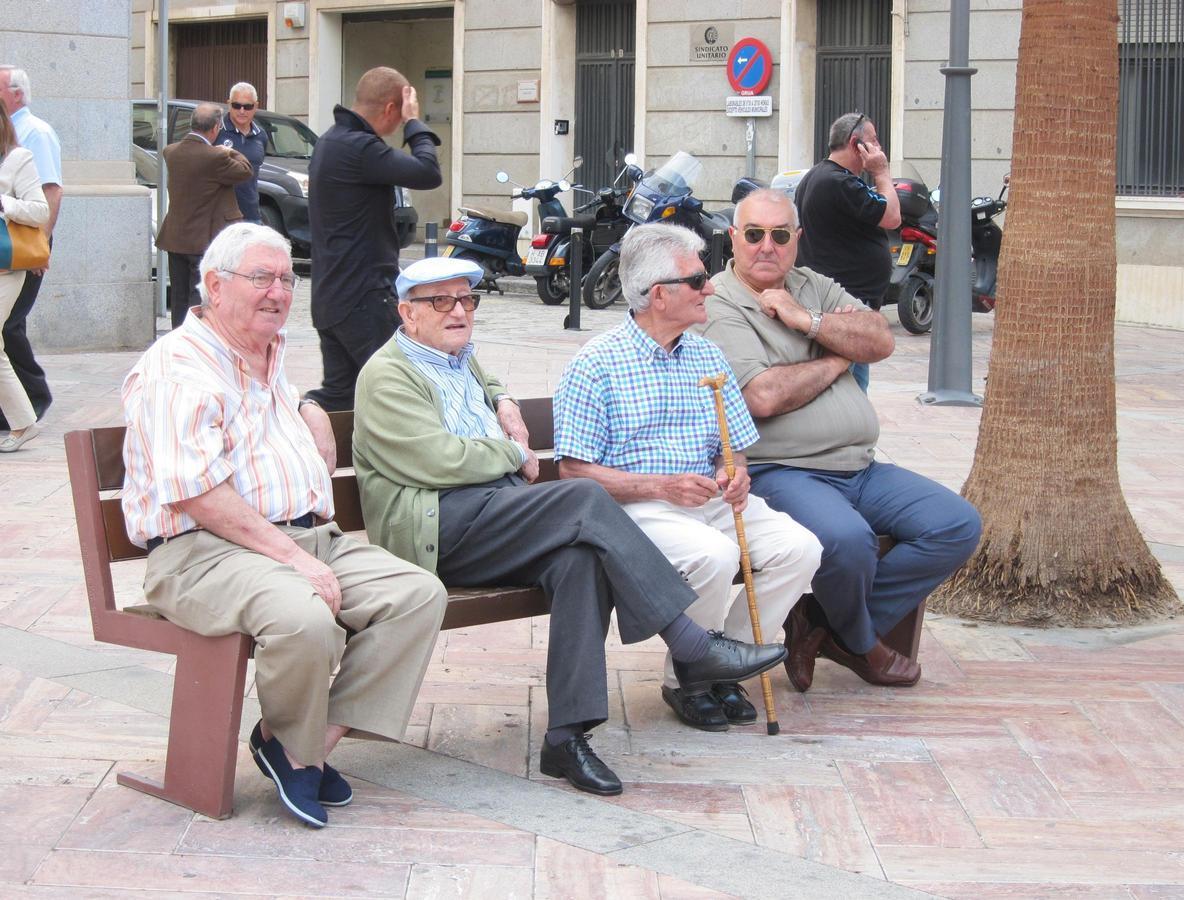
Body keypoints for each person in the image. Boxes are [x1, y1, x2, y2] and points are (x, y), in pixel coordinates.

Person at [352, 255, 786, 796]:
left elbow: (487, 382)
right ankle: (690, 643)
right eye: (441, 301)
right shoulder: (387, 373)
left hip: (496, 513)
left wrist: (505, 401)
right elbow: (437, 459)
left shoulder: (459, 356)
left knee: (579, 560)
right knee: (582, 496)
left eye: (467, 300)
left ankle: (567, 736)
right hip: (438, 526)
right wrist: (511, 449)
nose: (459, 311)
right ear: (407, 313)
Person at [120, 223, 447, 828]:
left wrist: (310, 407)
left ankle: (300, 743)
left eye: (286, 278)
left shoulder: (267, 349)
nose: (278, 291)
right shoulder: (176, 367)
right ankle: (296, 751)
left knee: (417, 595)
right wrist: (293, 559)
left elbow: (259, 418)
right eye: (261, 278)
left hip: (301, 534)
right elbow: (198, 493)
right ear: (215, 287)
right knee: (303, 616)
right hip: (202, 552)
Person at [698, 189, 982, 691]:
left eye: (781, 235)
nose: (768, 246)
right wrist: (837, 354)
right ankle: (863, 643)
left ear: (797, 239)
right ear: (733, 239)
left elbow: (881, 339)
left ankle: (827, 629)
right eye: (755, 234)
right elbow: (762, 396)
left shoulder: (810, 287)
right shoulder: (721, 303)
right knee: (849, 542)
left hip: (861, 467)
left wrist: (807, 321)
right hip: (782, 470)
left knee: (955, 525)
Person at [554, 224, 823, 732]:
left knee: (801, 549)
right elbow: (574, 472)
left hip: (710, 500)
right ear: (659, 295)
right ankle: (689, 678)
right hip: (638, 507)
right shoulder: (596, 364)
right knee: (714, 555)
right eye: (698, 279)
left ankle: (731, 662)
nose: (711, 288)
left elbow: (733, 447)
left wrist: (734, 474)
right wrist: (661, 487)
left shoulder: (706, 355)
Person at [307, 66, 442, 412]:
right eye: (400, 117)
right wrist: (415, 125)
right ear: (390, 109)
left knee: (342, 397)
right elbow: (428, 172)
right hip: (364, 296)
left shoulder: (329, 141)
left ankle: (298, 434)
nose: (399, 125)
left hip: (330, 296)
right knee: (403, 390)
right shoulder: (360, 148)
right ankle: (277, 420)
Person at [794, 112, 900, 392]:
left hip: (845, 301)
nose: (879, 148)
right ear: (856, 144)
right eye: (873, 140)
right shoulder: (840, 182)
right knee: (847, 387)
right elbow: (892, 216)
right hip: (845, 303)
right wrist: (881, 173)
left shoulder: (820, 176)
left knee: (850, 384)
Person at [156, 103, 253, 328]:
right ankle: (194, 339)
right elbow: (245, 170)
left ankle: (177, 338)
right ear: (216, 127)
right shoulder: (214, 157)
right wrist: (228, 150)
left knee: (179, 295)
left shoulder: (171, 151)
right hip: (203, 239)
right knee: (198, 294)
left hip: (176, 236)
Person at [0, 66, 60, 428]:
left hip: (17, 254)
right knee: (10, 329)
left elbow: (50, 194)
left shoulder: (34, 135)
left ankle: (31, 402)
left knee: (10, 328)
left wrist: (42, 248)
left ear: (15, 93)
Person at [0, 101, 48, 452]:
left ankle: (23, 421)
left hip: (5, 266)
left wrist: (5, 203)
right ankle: (23, 421)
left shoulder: (18, 158)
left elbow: (39, 210)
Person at [216, 82, 269, 224]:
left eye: (247, 106)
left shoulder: (261, 136)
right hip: (221, 215)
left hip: (251, 214)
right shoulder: (216, 131)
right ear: (228, 104)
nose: (241, 111)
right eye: (236, 105)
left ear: (256, 106)